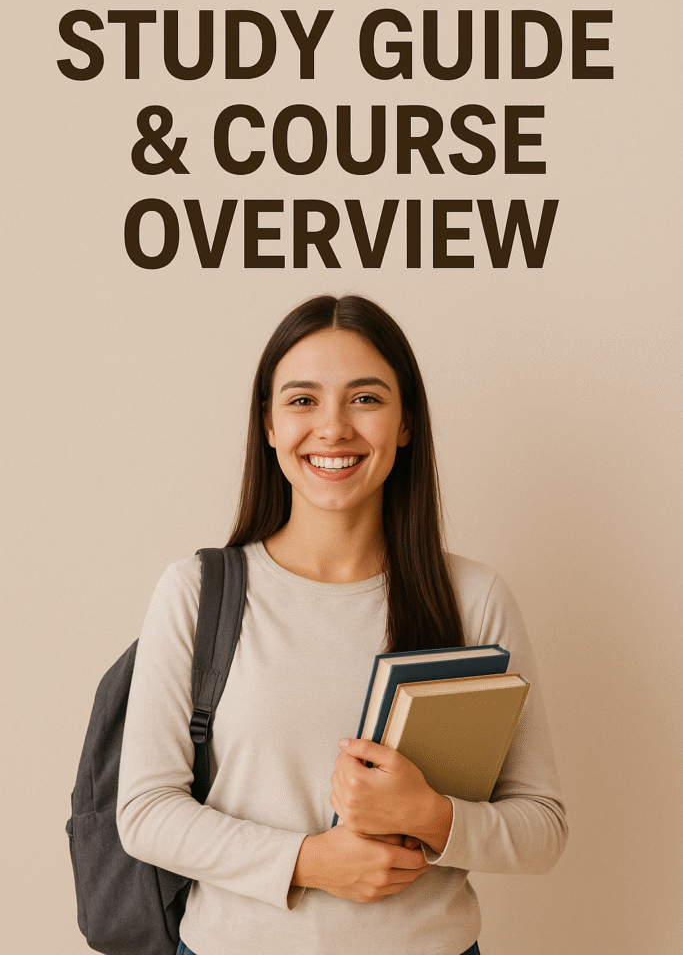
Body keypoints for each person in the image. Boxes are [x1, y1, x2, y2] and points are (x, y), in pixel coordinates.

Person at [117, 294, 567, 955]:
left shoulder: (472, 598)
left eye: (364, 398)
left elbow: (541, 828)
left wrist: (430, 817)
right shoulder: (196, 592)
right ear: (267, 424)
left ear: (405, 422)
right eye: (302, 400)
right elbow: (145, 813)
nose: (332, 428)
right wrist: (308, 861)